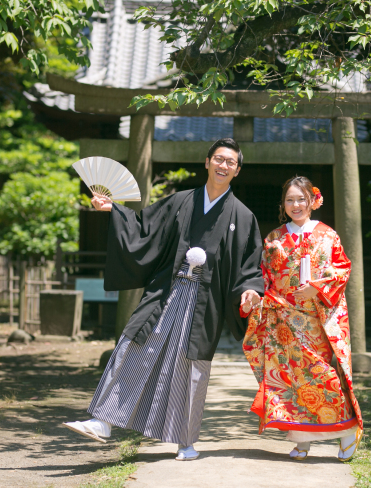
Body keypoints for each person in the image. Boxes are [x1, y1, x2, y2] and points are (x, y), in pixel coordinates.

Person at [64, 138, 264, 461]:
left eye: (230, 162)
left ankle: (186, 441)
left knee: (190, 366)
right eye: (218, 159)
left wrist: (251, 289)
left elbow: (250, 265)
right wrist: (113, 209)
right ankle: (103, 420)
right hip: (168, 290)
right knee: (135, 346)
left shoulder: (242, 217)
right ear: (207, 162)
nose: (223, 166)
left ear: (237, 170)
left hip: (204, 301)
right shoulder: (181, 201)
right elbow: (145, 227)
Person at [241, 176, 363, 461]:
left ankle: (347, 430)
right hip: (282, 318)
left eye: (301, 199)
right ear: (283, 204)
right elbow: (264, 277)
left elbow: (342, 269)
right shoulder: (273, 238)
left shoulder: (327, 235)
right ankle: (302, 439)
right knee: (292, 379)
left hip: (316, 318)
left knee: (321, 374)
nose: (295, 205)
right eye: (290, 200)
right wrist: (256, 295)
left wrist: (317, 288)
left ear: (312, 201)